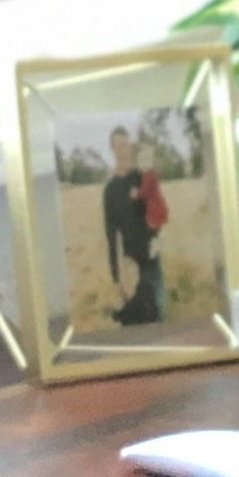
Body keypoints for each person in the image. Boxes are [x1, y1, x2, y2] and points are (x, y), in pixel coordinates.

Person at [101, 124, 169, 327]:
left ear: (130, 147)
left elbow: (157, 207)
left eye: (126, 144)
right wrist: (116, 277)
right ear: (113, 149)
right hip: (131, 264)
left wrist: (156, 238)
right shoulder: (110, 190)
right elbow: (110, 235)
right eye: (118, 145)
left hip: (151, 255)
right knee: (136, 323)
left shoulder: (142, 177)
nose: (123, 150)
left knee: (159, 315)